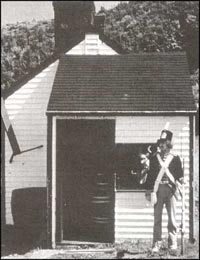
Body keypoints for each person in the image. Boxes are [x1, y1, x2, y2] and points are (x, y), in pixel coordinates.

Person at [144, 129, 184, 253]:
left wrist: (181, 180)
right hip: (158, 190)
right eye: (160, 142)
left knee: (172, 218)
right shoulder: (154, 158)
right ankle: (156, 244)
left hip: (171, 190)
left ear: (169, 143)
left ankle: (172, 244)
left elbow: (179, 176)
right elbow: (150, 176)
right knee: (157, 219)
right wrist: (149, 190)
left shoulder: (175, 158)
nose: (161, 145)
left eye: (164, 142)